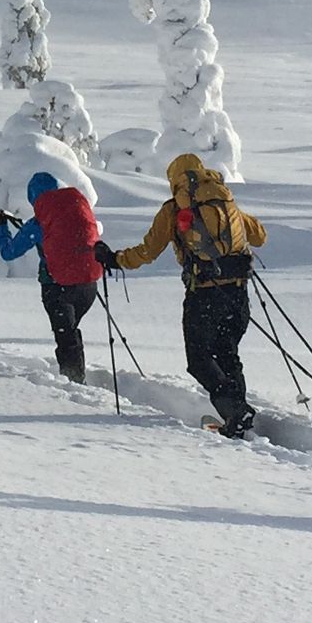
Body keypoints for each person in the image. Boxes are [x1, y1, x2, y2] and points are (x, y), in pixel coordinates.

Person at [95, 154, 266, 437]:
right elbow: (260, 236)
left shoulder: (174, 209)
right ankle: (238, 416)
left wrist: (114, 259)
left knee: (199, 360)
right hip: (237, 291)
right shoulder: (224, 200)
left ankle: (235, 411)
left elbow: (148, 251)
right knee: (227, 354)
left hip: (204, 295)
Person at [0, 170, 105, 381]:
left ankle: (73, 382)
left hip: (57, 287)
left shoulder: (39, 224)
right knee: (70, 332)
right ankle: (75, 377)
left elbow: (9, 252)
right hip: (88, 285)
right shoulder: (77, 212)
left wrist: (2, 228)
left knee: (66, 336)